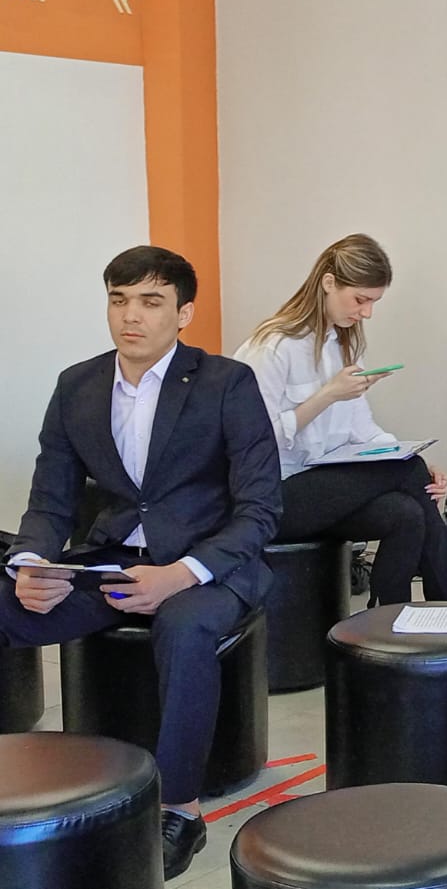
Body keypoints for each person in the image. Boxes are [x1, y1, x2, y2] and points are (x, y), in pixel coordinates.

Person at [0, 246, 281, 879]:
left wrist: (181, 574)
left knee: (184, 626)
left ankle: (180, 809)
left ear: (184, 313)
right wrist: (34, 562)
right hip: (114, 562)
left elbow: (261, 510)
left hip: (211, 563)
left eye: (151, 302)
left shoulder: (227, 383)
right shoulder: (77, 385)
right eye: (119, 299)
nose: (131, 316)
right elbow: (50, 500)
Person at [233, 234, 447, 608]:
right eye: (361, 300)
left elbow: (363, 432)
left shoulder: (342, 345)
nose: (367, 313)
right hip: (271, 495)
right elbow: (252, 444)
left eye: (373, 302)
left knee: (407, 511)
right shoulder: (272, 347)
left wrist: (412, 461)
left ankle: (387, 621)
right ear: (329, 283)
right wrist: (327, 395)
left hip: (321, 491)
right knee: (409, 472)